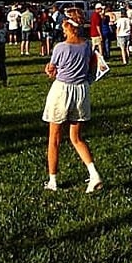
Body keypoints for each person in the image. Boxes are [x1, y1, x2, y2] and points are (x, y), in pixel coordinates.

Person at [42, 10, 102, 194]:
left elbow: (52, 69)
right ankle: (93, 173)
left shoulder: (61, 47)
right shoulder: (87, 46)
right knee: (76, 138)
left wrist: (49, 70)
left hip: (62, 90)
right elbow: (91, 68)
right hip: (81, 91)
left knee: (54, 137)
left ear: (68, 27)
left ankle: (52, 180)